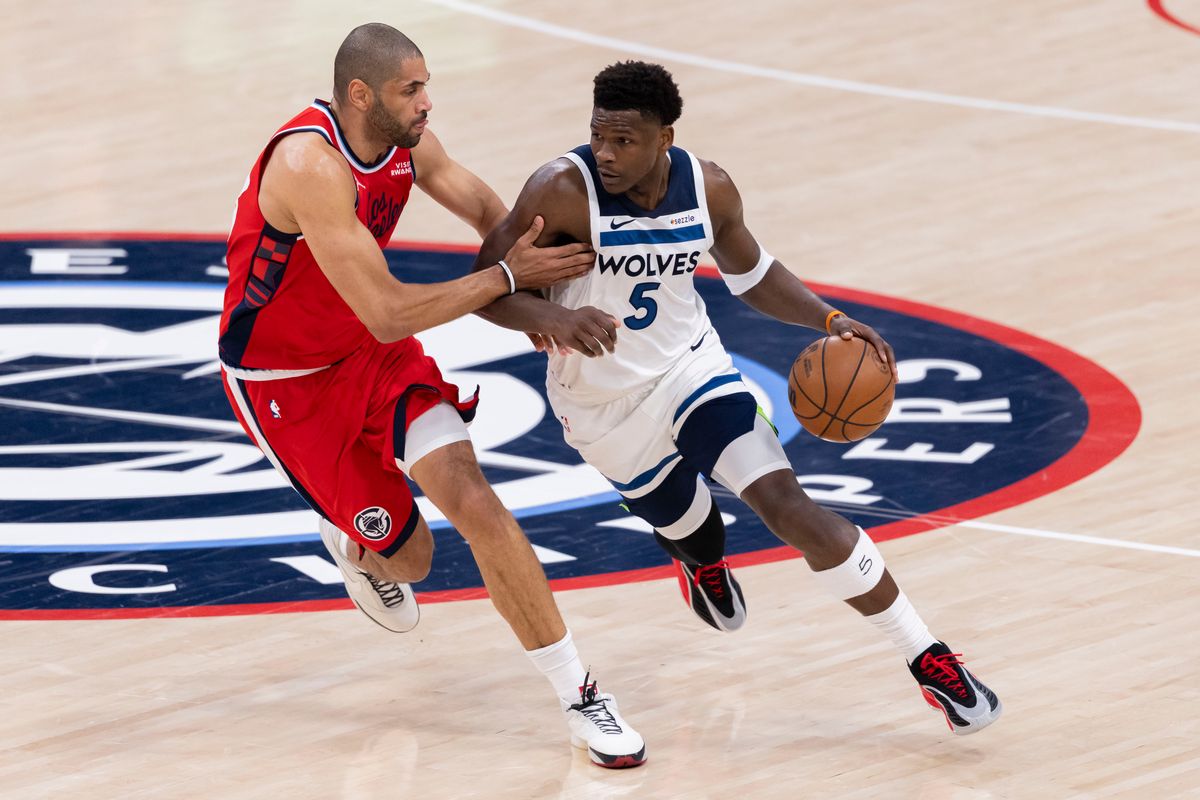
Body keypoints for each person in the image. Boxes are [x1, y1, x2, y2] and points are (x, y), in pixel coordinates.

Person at [471, 60, 1002, 736]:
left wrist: (828, 320)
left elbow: (751, 273)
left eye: (625, 140)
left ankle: (926, 656)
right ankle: (700, 562)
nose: (606, 153)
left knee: (788, 505)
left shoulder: (707, 187)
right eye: (599, 136)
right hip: (602, 406)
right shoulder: (561, 191)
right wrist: (551, 319)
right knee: (695, 531)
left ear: (666, 137)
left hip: (694, 372)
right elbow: (486, 286)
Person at [217, 24, 645, 768]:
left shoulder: (409, 140)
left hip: (372, 355)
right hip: (285, 383)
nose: (426, 102)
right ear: (361, 95)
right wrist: (505, 282)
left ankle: (581, 697)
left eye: (425, 85)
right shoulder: (307, 165)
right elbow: (389, 306)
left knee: (476, 501)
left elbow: (490, 214)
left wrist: (546, 295)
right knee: (412, 561)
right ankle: (359, 542)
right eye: (410, 89)